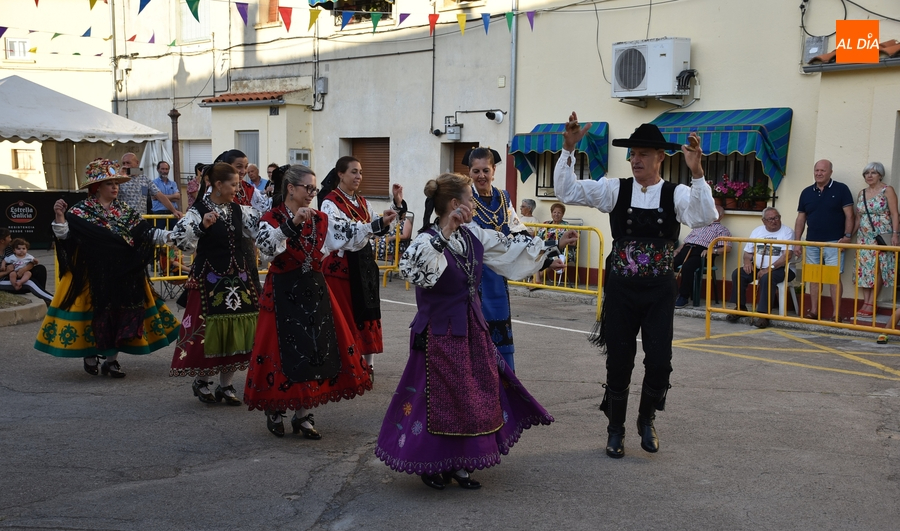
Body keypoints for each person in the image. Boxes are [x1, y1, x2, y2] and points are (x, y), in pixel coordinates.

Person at [375, 172, 576, 490]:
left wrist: (548, 253)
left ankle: (461, 463)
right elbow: (414, 271)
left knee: (470, 396)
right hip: (438, 333)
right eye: (470, 199)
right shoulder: (428, 239)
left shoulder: (473, 235)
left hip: (471, 328)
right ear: (455, 204)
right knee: (435, 401)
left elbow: (508, 249)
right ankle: (430, 461)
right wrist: (445, 230)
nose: (474, 204)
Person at [554, 112, 716, 459]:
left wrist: (698, 172)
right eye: (632, 154)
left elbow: (704, 217)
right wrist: (568, 149)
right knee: (619, 360)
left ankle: (647, 418)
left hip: (659, 291)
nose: (635, 159)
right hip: (621, 290)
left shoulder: (677, 193)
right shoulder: (615, 189)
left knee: (659, 361)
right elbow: (567, 190)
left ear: (661, 157)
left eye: (643, 153)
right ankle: (615, 430)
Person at [246, 165, 378, 438]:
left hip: (314, 291)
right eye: (308, 188)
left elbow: (351, 233)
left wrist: (381, 223)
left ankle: (303, 414)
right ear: (291, 189)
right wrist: (291, 225)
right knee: (280, 352)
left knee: (313, 350)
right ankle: (276, 408)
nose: (312, 194)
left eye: (314, 189)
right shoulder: (270, 217)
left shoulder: (319, 218)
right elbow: (267, 249)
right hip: (282, 292)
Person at [34, 158, 180, 377]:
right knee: (92, 314)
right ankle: (90, 355)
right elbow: (65, 238)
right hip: (91, 275)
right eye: (109, 184)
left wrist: (174, 236)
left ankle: (111, 361)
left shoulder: (125, 211)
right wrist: (59, 219)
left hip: (123, 273)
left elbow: (146, 233)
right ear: (96, 187)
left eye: (116, 183)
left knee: (119, 315)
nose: (115, 187)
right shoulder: (79, 212)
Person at [169, 162, 261, 405]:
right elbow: (179, 240)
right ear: (218, 185)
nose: (237, 189)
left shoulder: (240, 210)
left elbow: (264, 230)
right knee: (209, 331)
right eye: (233, 185)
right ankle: (202, 380)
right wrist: (201, 227)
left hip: (238, 279)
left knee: (236, 331)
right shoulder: (197, 211)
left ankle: (226, 384)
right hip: (209, 279)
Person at [318, 156, 403, 374]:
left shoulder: (363, 202)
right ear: (340, 174)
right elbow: (339, 231)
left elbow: (376, 226)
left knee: (369, 313)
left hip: (364, 264)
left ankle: (369, 364)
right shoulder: (330, 201)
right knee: (345, 317)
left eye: (361, 172)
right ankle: (345, 363)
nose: (358, 176)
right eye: (354, 172)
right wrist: (374, 225)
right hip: (342, 268)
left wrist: (396, 205)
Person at [466, 147, 529, 371]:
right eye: (476, 171)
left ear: (494, 170)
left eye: (486, 170)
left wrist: (543, 250)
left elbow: (517, 228)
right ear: (469, 172)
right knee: (476, 333)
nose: (481, 175)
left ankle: (504, 388)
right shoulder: (465, 198)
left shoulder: (503, 197)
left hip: (498, 276)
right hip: (473, 275)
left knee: (500, 332)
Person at [793, 159, 855, 321]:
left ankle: (836, 314)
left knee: (834, 278)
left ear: (830, 173)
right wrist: (797, 241)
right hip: (812, 242)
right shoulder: (806, 192)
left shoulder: (841, 189)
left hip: (835, 242)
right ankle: (814, 311)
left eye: (823, 171)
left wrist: (847, 237)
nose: (819, 173)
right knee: (814, 277)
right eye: (816, 170)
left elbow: (850, 215)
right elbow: (801, 218)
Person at [724, 208, 796, 329]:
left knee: (767, 278)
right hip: (759, 267)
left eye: (777, 217)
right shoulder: (757, 231)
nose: (774, 221)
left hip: (782, 270)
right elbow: (747, 253)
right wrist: (747, 262)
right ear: (763, 221)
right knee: (738, 273)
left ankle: (764, 314)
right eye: (771, 219)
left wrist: (770, 268)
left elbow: (786, 256)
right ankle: (740, 307)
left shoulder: (787, 232)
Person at [852, 162, 899, 317]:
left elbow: (894, 214)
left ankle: (872, 303)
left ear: (880, 175)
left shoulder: (887, 190)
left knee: (878, 269)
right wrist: (848, 235)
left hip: (881, 236)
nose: (869, 176)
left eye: (873, 173)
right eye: (867, 173)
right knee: (864, 270)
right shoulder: (862, 193)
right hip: (863, 237)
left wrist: (895, 234)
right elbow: (858, 217)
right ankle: (865, 302)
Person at [673, 205, 732, 308]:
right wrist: (677, 250)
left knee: (687, 267)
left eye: (716, 212)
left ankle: (683, 297)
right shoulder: (699, 225)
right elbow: (686, 241)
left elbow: (727, 248)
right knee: (668, 265)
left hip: (702, 253)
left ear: (721, 216)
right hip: (687, 249)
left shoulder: (722, 230)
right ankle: (664, 293)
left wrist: (711, 250)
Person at [117, 152, 182, 219]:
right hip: (124, 219)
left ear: (137, 163)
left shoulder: (144, 178)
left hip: (140, 219)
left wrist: (174, 211)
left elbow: (159, 195)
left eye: (128, 163)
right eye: (123, 163)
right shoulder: (119, 179)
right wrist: (120, 176)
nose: (125, 166)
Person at [0, 228, 53, 303]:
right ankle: (54, 301)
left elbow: (28, 261)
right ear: (2, 241)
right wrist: (6, 272)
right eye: (8, 237)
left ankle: (43, 296)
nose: (10, 239)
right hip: (4, 280)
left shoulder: (9, 249)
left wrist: (24, 269)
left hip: (19, 274)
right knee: (30, 282)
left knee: (40, 269)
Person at [150, 161, 180, 228]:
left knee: (174, 235)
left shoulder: (173, 183)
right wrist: (173, 197)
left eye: (166, 169)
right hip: (159, 212)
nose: (165, 171)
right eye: (162, 169)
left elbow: (178, 197)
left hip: (172, 212)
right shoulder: (153, 183)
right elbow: (154, 197)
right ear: (158, 169)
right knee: (158, 235)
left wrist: (160, 197)